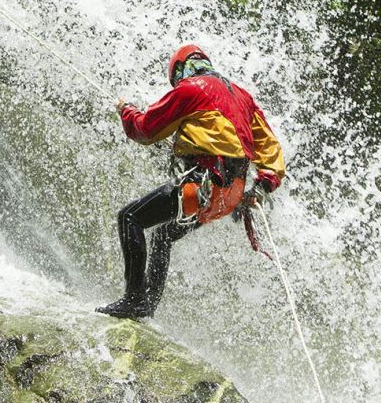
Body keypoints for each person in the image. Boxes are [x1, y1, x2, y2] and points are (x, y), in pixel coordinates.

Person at [96, 44, 285, 319]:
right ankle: (146, 306)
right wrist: (264, 185)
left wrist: (126, 110)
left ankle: (134, 300)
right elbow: (270, 147)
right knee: (163, 235)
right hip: (230, 196)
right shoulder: (242, 96)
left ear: (179, 71)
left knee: (129, 218)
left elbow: (146, 130)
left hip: (204, 185)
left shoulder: (190, 89)